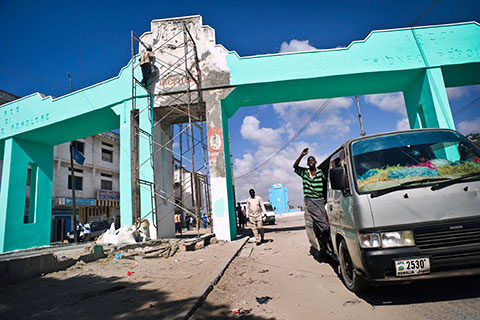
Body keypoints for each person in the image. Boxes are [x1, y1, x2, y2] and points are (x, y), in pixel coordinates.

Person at [293, 148, 332, 252]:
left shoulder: (320, 173)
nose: (311, 162)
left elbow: (326, 184)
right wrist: (301, 155)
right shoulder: (304, 172)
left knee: (322, 220)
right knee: (322, 221)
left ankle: (323, 242)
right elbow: (295, 166)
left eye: (312, 160)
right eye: (309, 161)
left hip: (320, 200)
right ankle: (330, 237)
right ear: (307, 163)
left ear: (315, 162)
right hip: (310, 199)